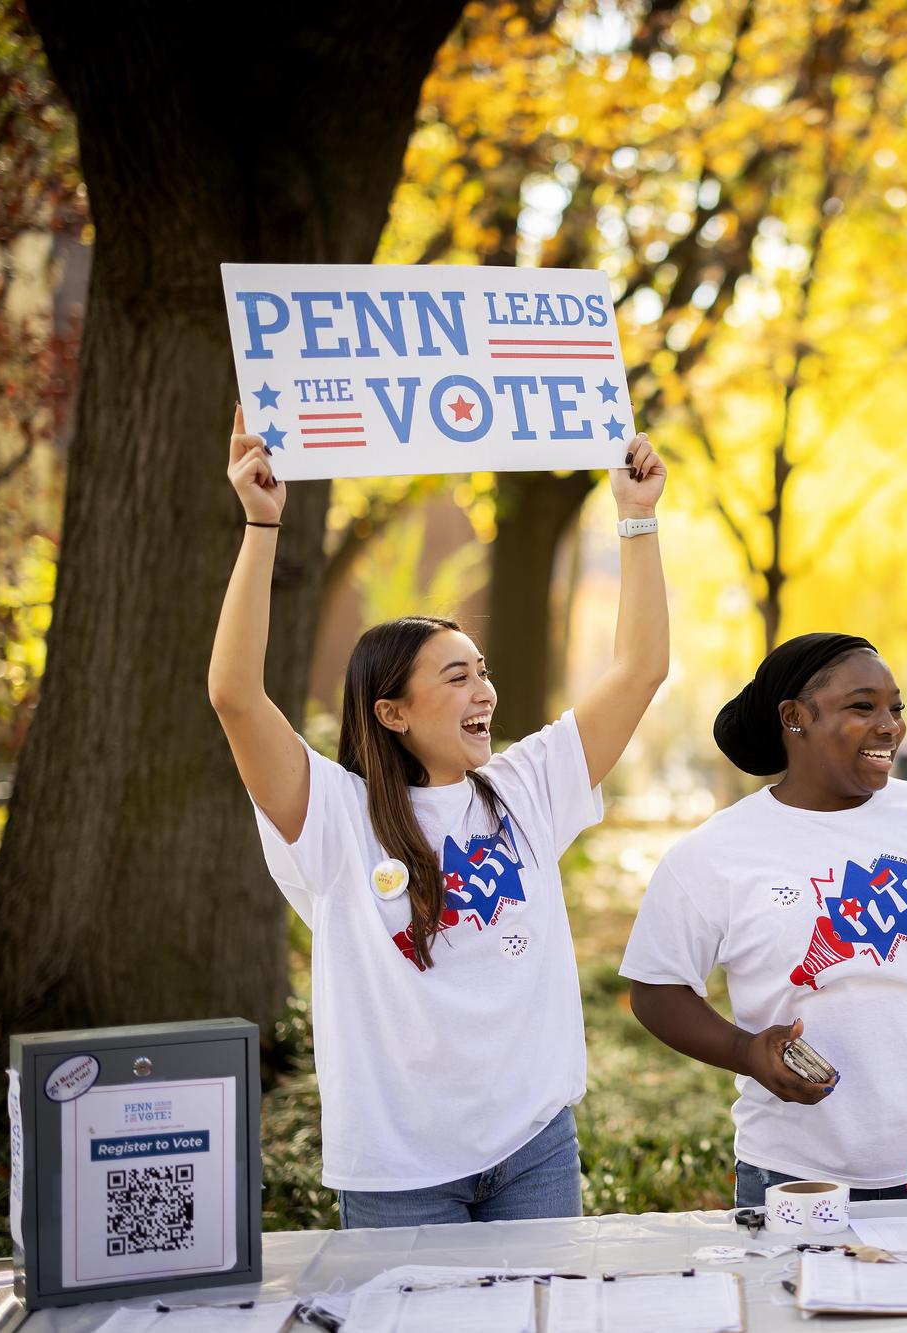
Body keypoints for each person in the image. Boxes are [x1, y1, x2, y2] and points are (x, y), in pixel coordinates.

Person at [209, 405, 668, 1227]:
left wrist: (637, 522)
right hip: (399, 1173)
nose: (484, 691)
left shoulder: (528, 787)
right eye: (456, 677)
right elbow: (235, 696)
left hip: (534, 1150)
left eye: (482, 671)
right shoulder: (335, 816)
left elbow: (639, 670)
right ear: (392, 711)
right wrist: (260, 524)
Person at [619, 634, 907, 1206]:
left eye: (896, 708)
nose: (891, 726)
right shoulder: (713, 853)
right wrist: (745, 1051)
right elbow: (656, 989)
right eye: (863, 706)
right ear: (795, 717)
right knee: (805, 1302)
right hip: (798, 1173)